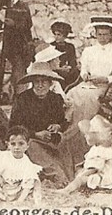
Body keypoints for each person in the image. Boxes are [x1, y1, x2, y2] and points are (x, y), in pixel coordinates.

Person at [9, 57, 88, 187]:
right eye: (37, 81)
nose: (40, 85)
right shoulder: (22, 99)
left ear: (50, 83)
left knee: (75, 133)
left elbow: (63, 122)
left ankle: (76, 170)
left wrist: (58, 126)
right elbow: (13, 127)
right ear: (32, 83)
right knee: (32, 146)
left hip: (53, 139)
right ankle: (56, 174)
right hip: (33, 139)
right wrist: (35, 134)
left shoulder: (55, 98)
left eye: (44, 81)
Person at [67, 17, 112, 126]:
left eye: (105, 34)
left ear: (111, 35)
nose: (102, 37)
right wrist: (84, 75)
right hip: (88, 82)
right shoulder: (88, 51)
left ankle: (86, 124)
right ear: (95, 34)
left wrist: (107, 79)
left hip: (104, 85)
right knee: (72, 92)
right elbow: (84, 68)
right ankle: (71, 124)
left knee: (89, 96)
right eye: (100, 34)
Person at [59, 115, 112, 193]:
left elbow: (94, 168)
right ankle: (73, 185)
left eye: (87, 135)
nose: (85, 137)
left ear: (96, 136)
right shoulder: (98, 148)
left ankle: (67, 190)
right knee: (80, 172)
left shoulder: (100, 151)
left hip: (106, 177)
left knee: (81, 179)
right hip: (106, 174)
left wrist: (82, 175)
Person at [0, 0, 35, 96]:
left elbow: (28, 25)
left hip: (21, 45)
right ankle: (12, 94)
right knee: (14, 70)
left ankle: (20, 95)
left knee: (19, 69)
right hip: (9, 44)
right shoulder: (8, 6)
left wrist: (14, 24)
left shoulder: (23, 7)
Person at [49, 19, 79, 90]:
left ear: (65, 36)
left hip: (67, 71)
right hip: (54, 71)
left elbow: (72, 62)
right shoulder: (51, 46)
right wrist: (58, 69)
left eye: (59, 35)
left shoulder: (70, 47)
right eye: (55, 34)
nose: (56, 37)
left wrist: (68, 67)